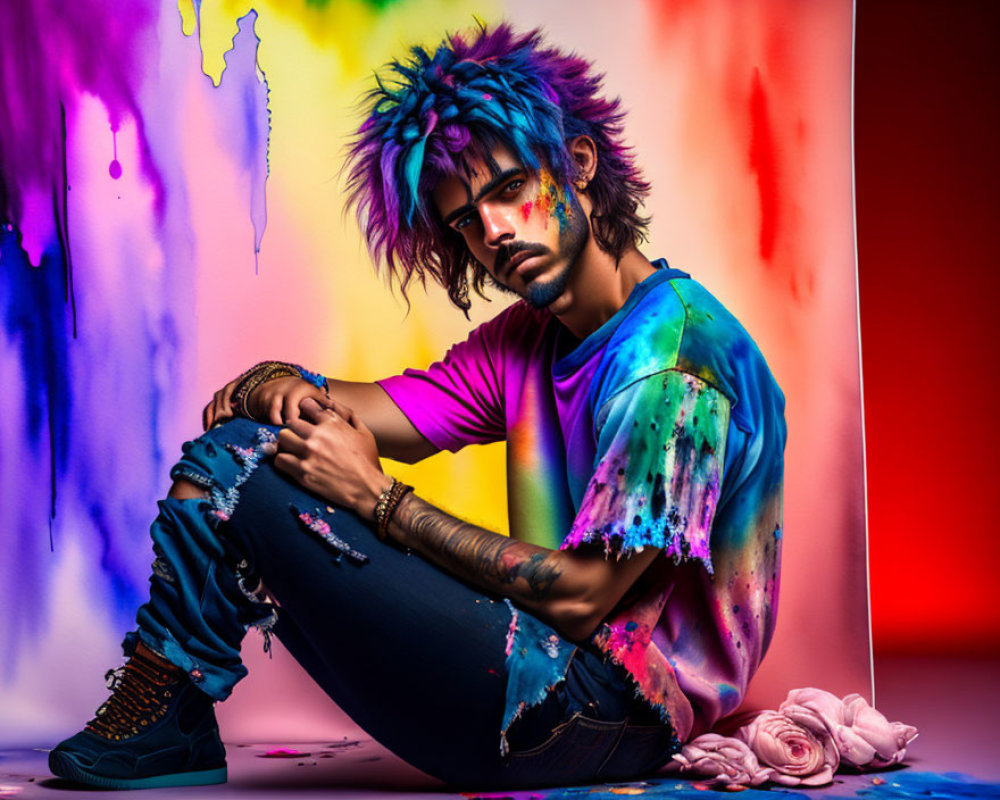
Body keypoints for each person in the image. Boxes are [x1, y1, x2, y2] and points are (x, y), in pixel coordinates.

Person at [49, 23, 785, 791]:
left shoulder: (673, 361)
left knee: (241, 465)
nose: (493, 232)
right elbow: (382, 411)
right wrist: (283, 381)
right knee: (251, 442)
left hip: (599, 719)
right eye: (466, 219)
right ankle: (172, 708)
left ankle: (171, 712)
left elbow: (581, 597)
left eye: (508, 189)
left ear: (578, 165)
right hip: (521, 684)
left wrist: (381, 502)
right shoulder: (529, 341)